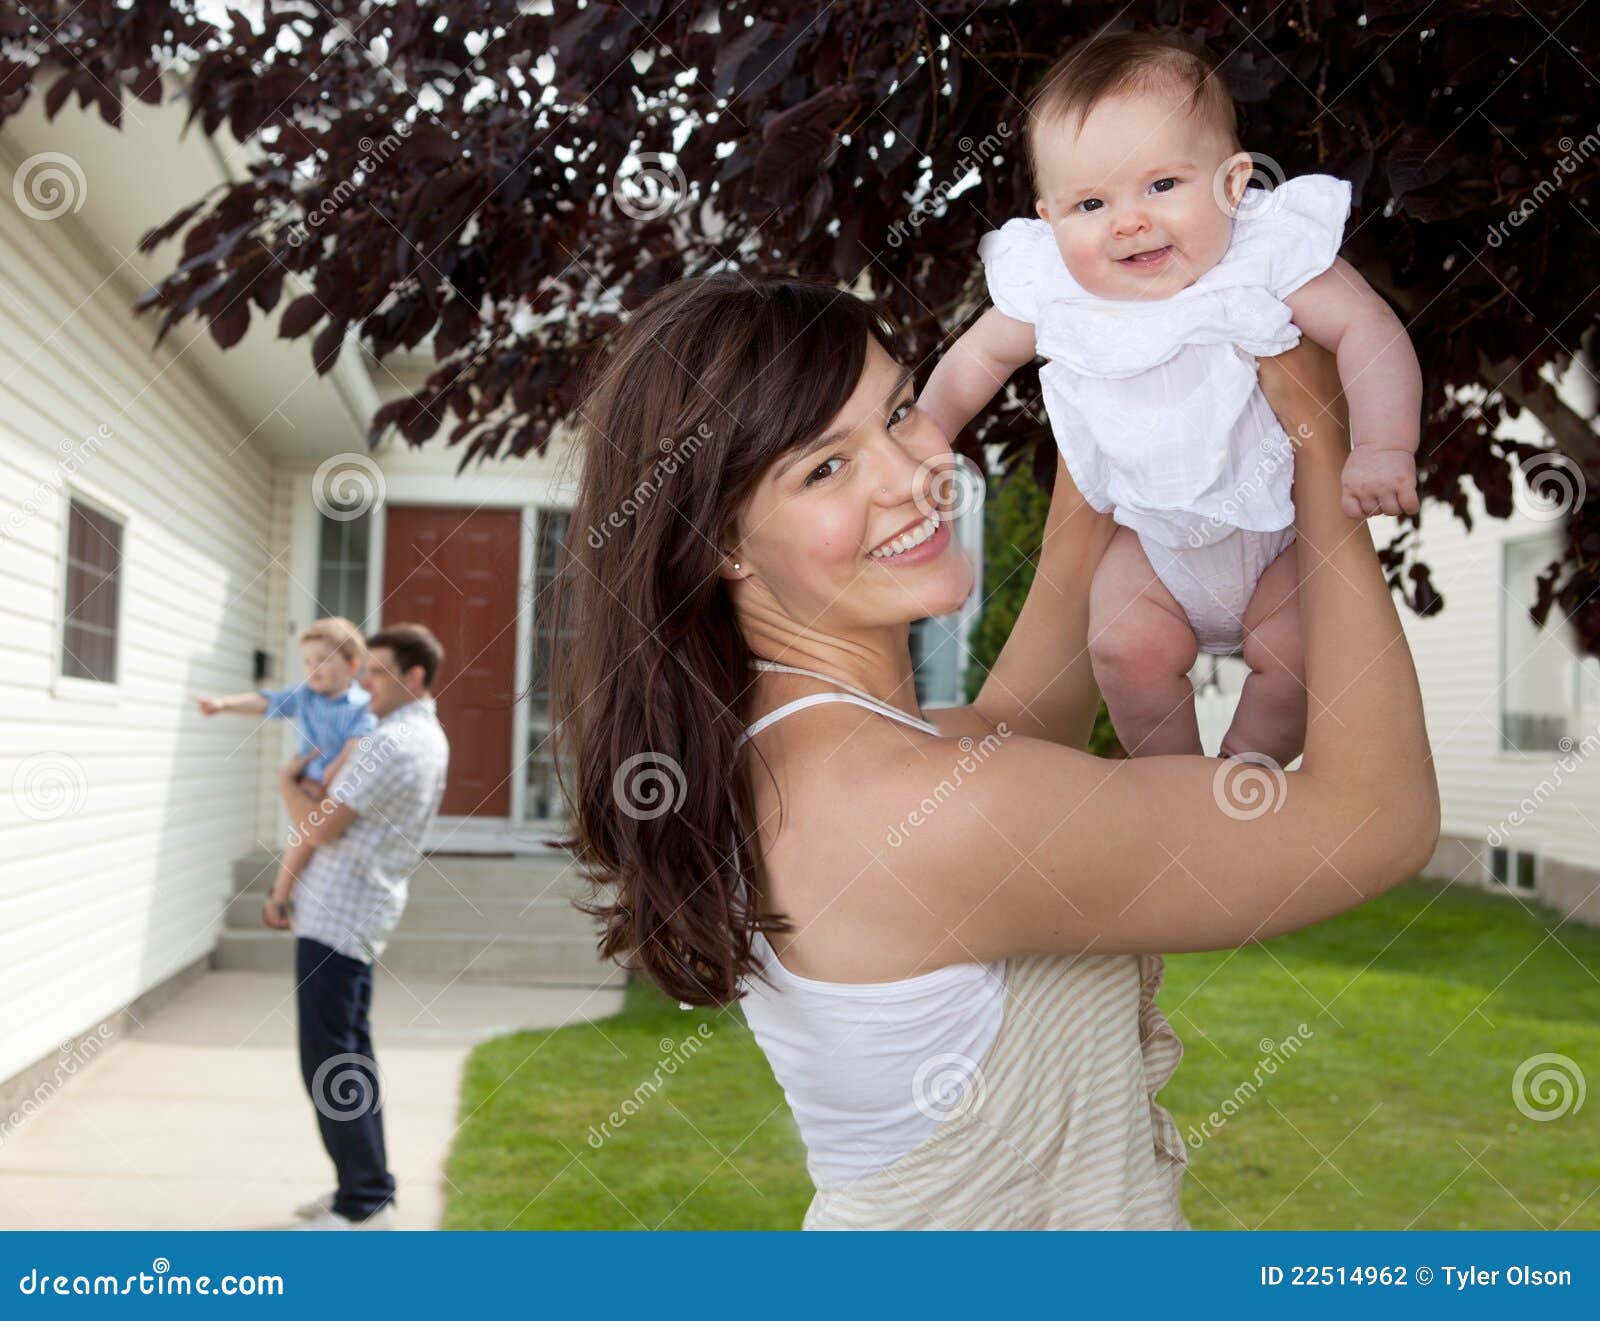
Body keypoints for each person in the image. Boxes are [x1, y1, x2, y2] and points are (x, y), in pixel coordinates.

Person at [550, 274, 1438, 1230]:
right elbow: (1379, 819)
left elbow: (1022, 728)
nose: (909, 475)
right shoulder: (915, 806)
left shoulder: (814, 752)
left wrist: (1118, 382)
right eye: (824, 469)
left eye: (898, 412)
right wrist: (1314, 431)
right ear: (722, 541)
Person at [920, 31, 1423, 765]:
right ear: (1051, 219)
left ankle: (1245, 765)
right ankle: (1173, 778)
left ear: (1231, 182)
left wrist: (1383, 444)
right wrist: (930, 431)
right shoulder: (1055, 290)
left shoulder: (1263, 254)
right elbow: (973, 360)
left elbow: (1370, 330)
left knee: (1297, 653)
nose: (1129, 220)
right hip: (1152, 548)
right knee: (1121, 647)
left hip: (1281, 536)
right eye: (1091, 202)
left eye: (1162, 185)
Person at [268, 623, 450, 1231]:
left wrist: (287, 784)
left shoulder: (390, 743)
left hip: (339, 916)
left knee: (329, 1061)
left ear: (414, 677)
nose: (363, 682)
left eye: (376, 671)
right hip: (354, 913)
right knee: (349, 1057)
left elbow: (320, 827)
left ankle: (361, 1204)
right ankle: (365, 1187)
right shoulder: (419, 736)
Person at [195, 616, 378, 912]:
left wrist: (334, 771)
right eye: (307, 661)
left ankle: (286, 894)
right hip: (309, 784)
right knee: (305, 838)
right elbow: (266, 701)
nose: (312, 668)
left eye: (323, 660)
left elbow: (359, 741)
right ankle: (281, 895)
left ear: (352, 665)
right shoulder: (304, 696)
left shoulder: (362, 703)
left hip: (342, 783)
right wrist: (224, 705)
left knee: (315, 839)